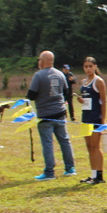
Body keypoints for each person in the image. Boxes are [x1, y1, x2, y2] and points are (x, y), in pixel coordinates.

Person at [27, 51, 76, 179]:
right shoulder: (60, 74)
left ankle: (49, 172)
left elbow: (31, 95)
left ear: (43, 61)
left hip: (45, 115)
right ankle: (70, 168)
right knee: (64, 141)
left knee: (47, 144)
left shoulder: (38, 75)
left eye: (39, 60)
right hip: (60, 113)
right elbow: (66, 91)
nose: (38, 62)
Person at [77, 57, 107, 185]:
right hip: (85, 118)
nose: (88, 69)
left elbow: (103, 102)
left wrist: (103, 120)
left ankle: (99, 176)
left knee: (95, 146)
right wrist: (81, 100)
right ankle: (93, 174)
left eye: (90, 66)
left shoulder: (98, 81)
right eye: (86, 66)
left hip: (95, 118)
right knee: (89, 147)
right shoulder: (83, 82)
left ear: (95, 66)